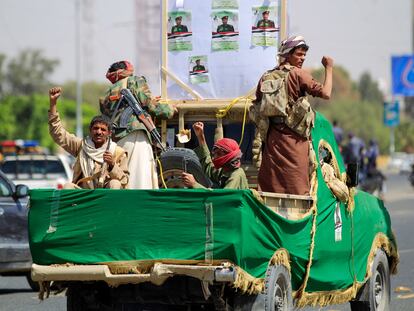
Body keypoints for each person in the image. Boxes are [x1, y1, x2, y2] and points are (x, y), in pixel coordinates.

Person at [250, 35, 333, 195]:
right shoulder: (298, 74)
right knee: (297, 190)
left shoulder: (266, 77)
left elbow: (257, 106)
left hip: (272, 143)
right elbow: (326, 93)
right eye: (299, 54)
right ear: (287, 54)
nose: (302, 58)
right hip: (294, 142)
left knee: (271, 189)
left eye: (304, 55)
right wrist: (328, 68)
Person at [100, 60, 175, 189]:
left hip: (117, 142)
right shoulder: (134, 81)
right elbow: (150, 105)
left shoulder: (107, 93)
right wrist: (170, 110)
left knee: (123, 177)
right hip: (136, 137)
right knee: (140, 177)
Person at [48, 87, 129, 189]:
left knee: (115, 184)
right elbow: (57, 133)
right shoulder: (81, 146)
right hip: (84, 194)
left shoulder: (118, 152)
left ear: (109, 133)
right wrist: (53, 103)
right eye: (96, 128)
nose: (99, 132)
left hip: (106, 196)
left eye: (103, 130)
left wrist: (112, 165)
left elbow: (124, 180)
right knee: (68, 186)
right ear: (90, 130)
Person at [181, 122, 249, 189]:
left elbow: (223, 198)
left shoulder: (236, 175)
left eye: (218, 154)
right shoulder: (225, 171)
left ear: (229, 156)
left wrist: (194, 184)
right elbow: (208, 166)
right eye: (214, 154)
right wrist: (200, 136)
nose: (214, 157)